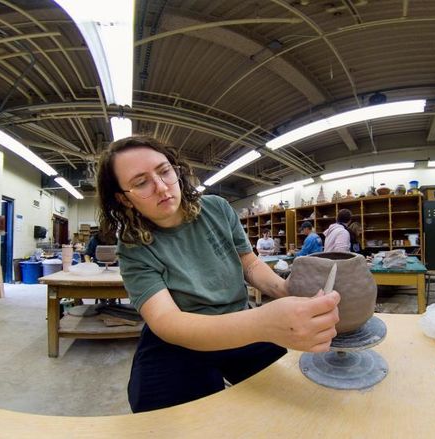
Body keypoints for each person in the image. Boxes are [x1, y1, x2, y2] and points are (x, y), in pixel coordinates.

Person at [96, 136, 340, 413]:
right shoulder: (132, 246)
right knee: (157, 418)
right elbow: (167, 321)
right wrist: (265, 323)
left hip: (239, 318)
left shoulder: (216, 209)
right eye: (141, 183)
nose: (162, 187)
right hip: (180, 337)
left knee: (307, 395)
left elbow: (250, 265)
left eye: (164, 171)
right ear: (123, 199)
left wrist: (286, 289)